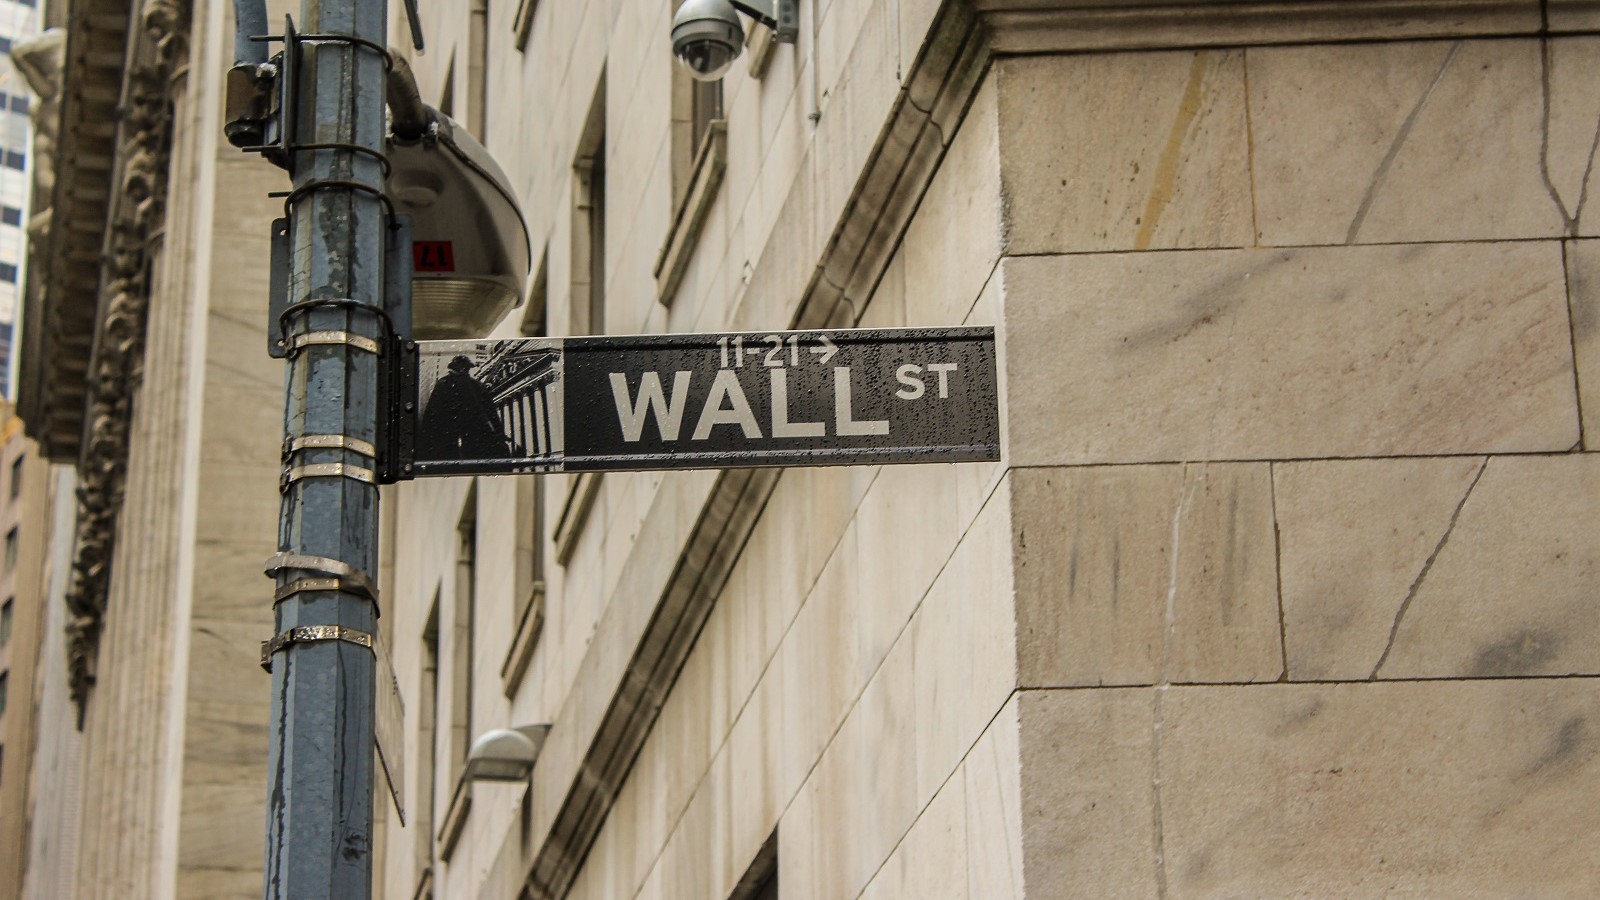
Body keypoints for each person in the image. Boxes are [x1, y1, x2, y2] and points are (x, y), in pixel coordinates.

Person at [419, 355, 509, 460]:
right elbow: (491, 412)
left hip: (453, 438)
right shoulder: (475, 385)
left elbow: (430, 414)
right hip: (467, 438)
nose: (465, 370)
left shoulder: (444, 383)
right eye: (464, 367)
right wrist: (499, 434)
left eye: (466, 368)